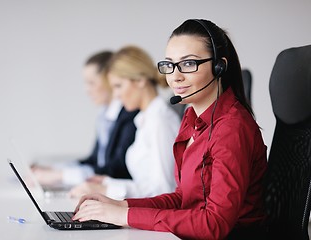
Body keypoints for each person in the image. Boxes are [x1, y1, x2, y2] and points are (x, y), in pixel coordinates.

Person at [72, 19, 268, 239]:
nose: (175, 76)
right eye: (170, 65)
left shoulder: (232, 128)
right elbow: (182, 198)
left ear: (218, 66)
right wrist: (121, 205)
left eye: (188, 63)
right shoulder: (192, 118)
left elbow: (214, 224)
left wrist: (124, 216)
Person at [69, 45, 180, 199]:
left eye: (118, 86)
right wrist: (108, 182)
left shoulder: (159, 121)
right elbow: (146, 183)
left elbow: (164, 190)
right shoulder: (144, 119)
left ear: (140, 80)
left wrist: (106, 190)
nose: (116, 95)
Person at [32, 51, 138, 187]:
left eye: (91, 83)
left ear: (109, 80)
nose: (86, 90)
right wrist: (55, 169)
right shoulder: (104, 116)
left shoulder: (130, 116)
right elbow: (94, 160)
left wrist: (61, 175)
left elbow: (117, 169)